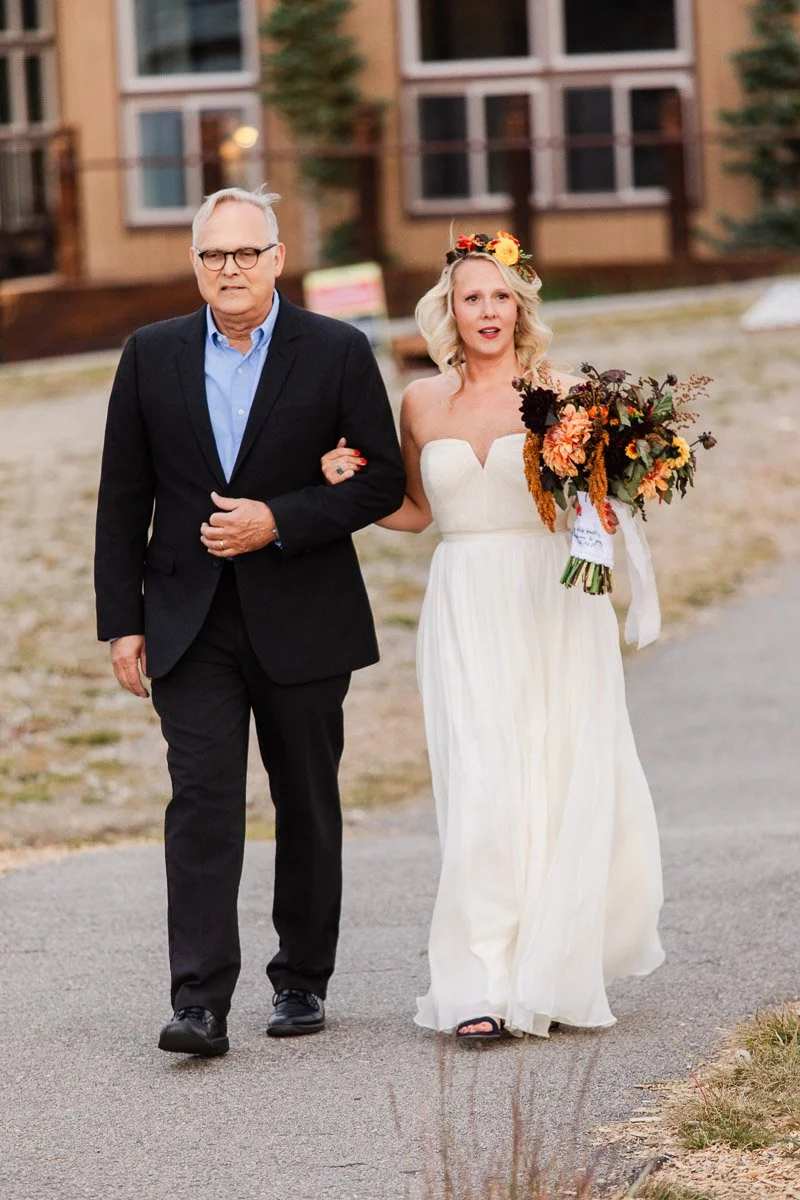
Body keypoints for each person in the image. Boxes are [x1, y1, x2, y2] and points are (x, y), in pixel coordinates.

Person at [321, 232, 664, 1039]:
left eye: (502, 296)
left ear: (521, 307)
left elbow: (602, 503)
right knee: (478, 782)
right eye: (472, 296)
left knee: (554, 771)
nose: (488, 311)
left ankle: (549, 970)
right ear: (449, 309)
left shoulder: (568, 392)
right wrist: (346, 487)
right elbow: (414, 515)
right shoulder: (419, 403)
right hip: (464, 598)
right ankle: (475, 983)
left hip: (551, 600)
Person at [94, 186, 406, 1056]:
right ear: (195, 265)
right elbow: (122, 499)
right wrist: (123, 621)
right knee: (200, 803)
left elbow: (381, 478)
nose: (229, 269)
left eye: (245, 253)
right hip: (188, 619)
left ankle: (302, 977)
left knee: (306, 799)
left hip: (303, 613)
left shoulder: (337, 350)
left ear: (276, 258)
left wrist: (280, 519)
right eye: (212, 256)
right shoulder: (148, 355)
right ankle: (198, 1001)